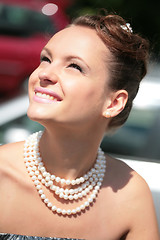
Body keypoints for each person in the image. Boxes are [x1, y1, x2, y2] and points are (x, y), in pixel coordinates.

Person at [0, 11, 159, 240]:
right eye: (46, 59)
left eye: (74, 66)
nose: (45, 73)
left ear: (113, 103)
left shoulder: (129, 196)